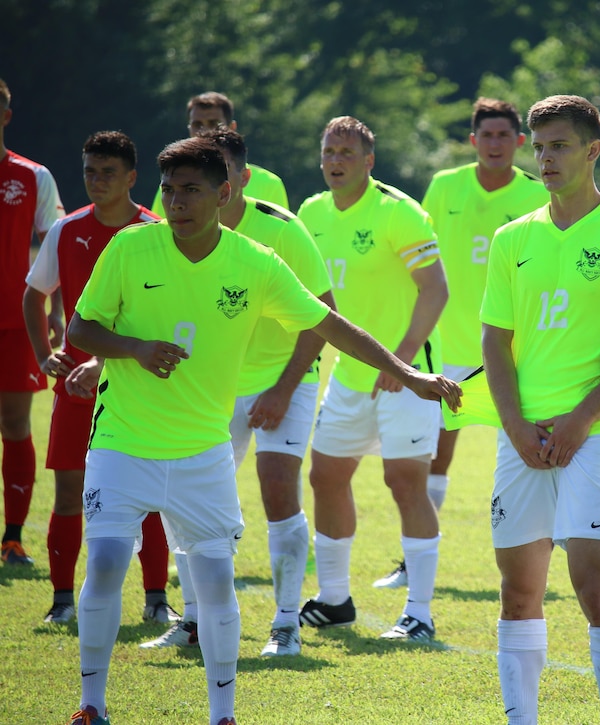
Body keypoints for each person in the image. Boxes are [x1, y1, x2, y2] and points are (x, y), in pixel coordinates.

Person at [65, 136, 460, 725]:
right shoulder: (129, 248)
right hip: (123, 445)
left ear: (225, 193)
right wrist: (135, 349)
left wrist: (408, 372)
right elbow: (81, 330)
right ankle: (91, 706)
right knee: (103, 569)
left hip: (203, 453)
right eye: (169, 190)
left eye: (191, 190)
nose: (176, 202)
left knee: (218, 583)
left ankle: (223, 713)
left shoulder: (255, 262)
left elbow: (331, 324)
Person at [480, 95, 600, 724]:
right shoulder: (513, 238)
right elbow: (495, 343)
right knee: (518, 592)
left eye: (558, 146)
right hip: (522, 438)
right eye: (539, 147)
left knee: (594, 589)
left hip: (596, 435)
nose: (544, 158)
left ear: (593, 150)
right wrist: (514, 426)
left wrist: (581, 418)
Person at [141, 129, 334, 656]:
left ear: (240, 180)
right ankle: (196, 620)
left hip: (284, 380)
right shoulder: (172, 230)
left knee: (277, 492)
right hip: (209, 389)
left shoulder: (283, 231)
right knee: (189, 504)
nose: (201, 190)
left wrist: (282, 390)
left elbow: (323, 317)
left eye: (218, 174)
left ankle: (287, 624)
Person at [361, 98, 552, 590]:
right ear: (473, 141)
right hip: (447, 345)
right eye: (485, 135)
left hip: (513, 351)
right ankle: (413, 563)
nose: (494, 144)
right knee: (436, 458)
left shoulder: (536, 196)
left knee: (537, 447)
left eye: (503, 136)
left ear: (519, 143)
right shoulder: (445, 186)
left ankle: (550, 544)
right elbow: (420, 262)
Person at [297, 116, 449, 640]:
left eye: (345, 152)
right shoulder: (311, 213)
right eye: (328, 151)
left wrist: (402, 362)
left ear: (368, 161)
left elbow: (436, 289)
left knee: (405, 483)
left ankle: (420, 613)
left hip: (407, 375)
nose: (334, 161)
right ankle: (335, 599)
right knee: (325, 476)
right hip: (348, 374)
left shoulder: (398, 213)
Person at [23, 130, 178, 625]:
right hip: (74, 385)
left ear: (132, 178)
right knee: (69, 491)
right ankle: (62, 602)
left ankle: (156, 601)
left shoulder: (157, 232)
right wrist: (46, 354)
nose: (96, 180)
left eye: (108, 172)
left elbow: (162, 318)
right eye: (90, 170)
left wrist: (104, 362)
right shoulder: (67, 231)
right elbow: (34, 295)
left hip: (137, 384)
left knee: (150, 492)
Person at [0, 77, 65, 565]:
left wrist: (60, 313)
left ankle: (13, 537)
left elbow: (55, 247)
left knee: (14, 423)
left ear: (5, 115)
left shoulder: (32, 176)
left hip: (15, 322)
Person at [150, 91, 288, 215]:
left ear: (232, 128)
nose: (204, 132)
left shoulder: (270, 184)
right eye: (197, 125)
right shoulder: (173, 185)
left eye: (214, 123)